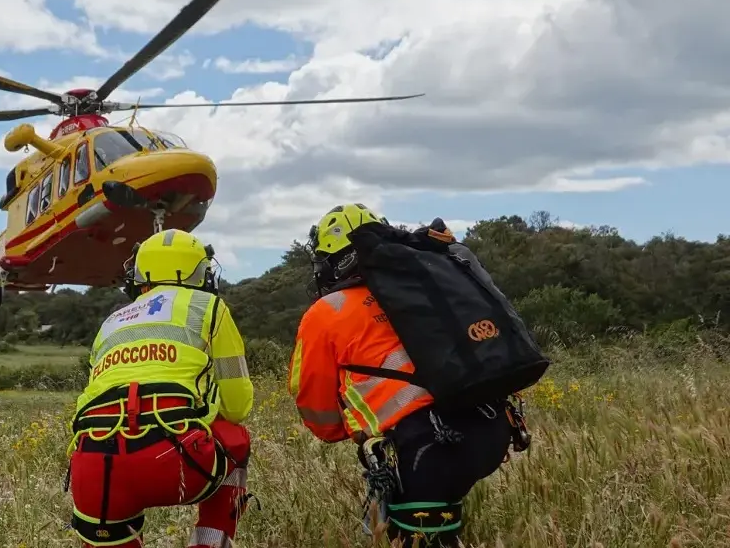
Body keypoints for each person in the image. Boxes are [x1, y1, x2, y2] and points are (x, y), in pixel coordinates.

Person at [287, 204, 539, 548]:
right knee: (437, 531)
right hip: (490, 427)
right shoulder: (422, 288)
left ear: (332, 262)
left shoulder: (325, 312)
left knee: (418, 537)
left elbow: (312, 398)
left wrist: (339, 432)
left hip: (423, 448)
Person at [66, 228, 255, 548]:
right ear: (200, 273)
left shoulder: (110, 323)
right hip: (174, 459)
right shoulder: (209, 307)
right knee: (236, 437)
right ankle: (209, 542)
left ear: (139, 276)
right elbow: (237, 405)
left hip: (95, 465)